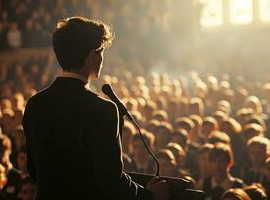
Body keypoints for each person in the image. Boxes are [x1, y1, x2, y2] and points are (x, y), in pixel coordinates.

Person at [22, 17, 169, 200]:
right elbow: (111, 183)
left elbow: (34, 170)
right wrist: (148, 195)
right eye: (101, 52)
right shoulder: (102, 109)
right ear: (93, 55)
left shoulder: (35, 104)